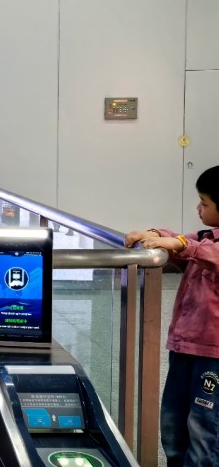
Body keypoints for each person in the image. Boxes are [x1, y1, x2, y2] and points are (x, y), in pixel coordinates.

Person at [125, 165, 219, 466]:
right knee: (173, 421)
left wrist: (181, 244)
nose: (198, 208)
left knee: (205, 427)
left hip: (213, 355)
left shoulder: (207, 246)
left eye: (204, 203)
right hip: (185, 347)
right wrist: (153, 235)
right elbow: (184, 241)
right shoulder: (207, 236)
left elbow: (198, 250)